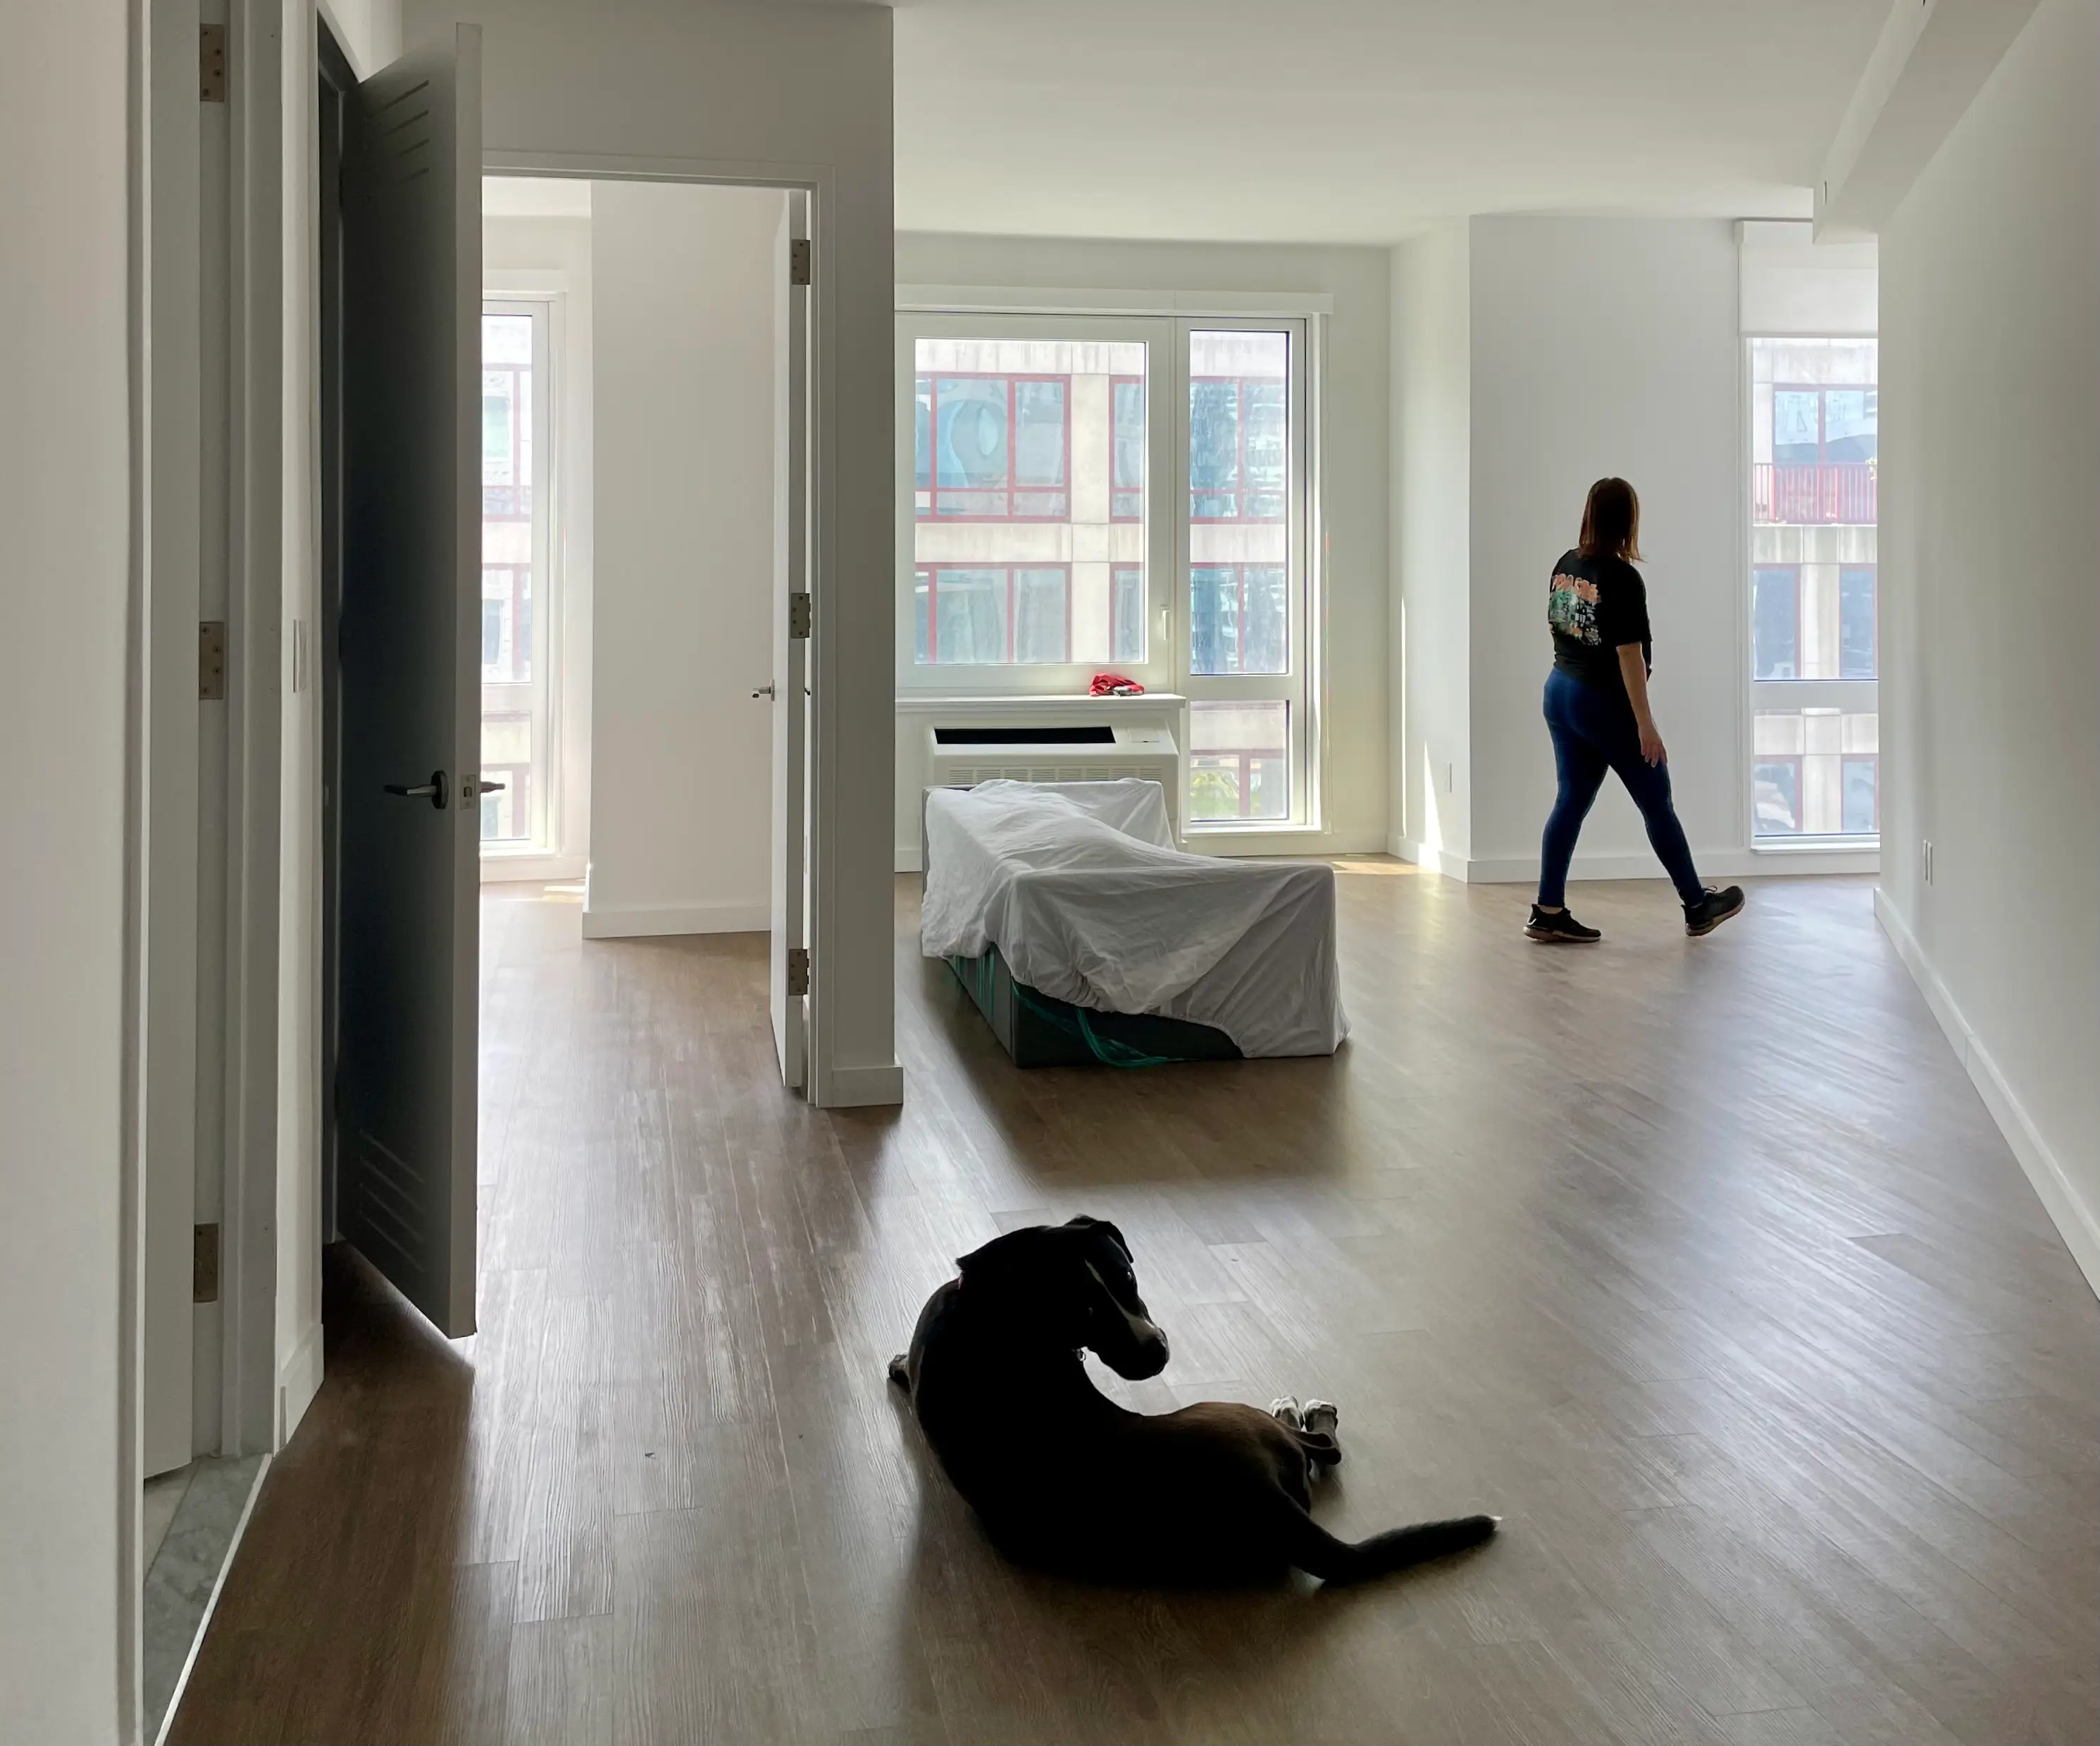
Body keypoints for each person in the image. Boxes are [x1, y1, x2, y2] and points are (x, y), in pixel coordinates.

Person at [1529, 478, 1744, 943]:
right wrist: (1645, 724)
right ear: (1628, 520)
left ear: (1589, 513)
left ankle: (1548, 909)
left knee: (1569, 802)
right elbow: (1628, 653)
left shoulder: (1566, 564)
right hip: (1600, 703)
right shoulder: (1621, 577)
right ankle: (1697, 906)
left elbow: (1562, 627)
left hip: (1559, 692)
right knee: (1656, 804)